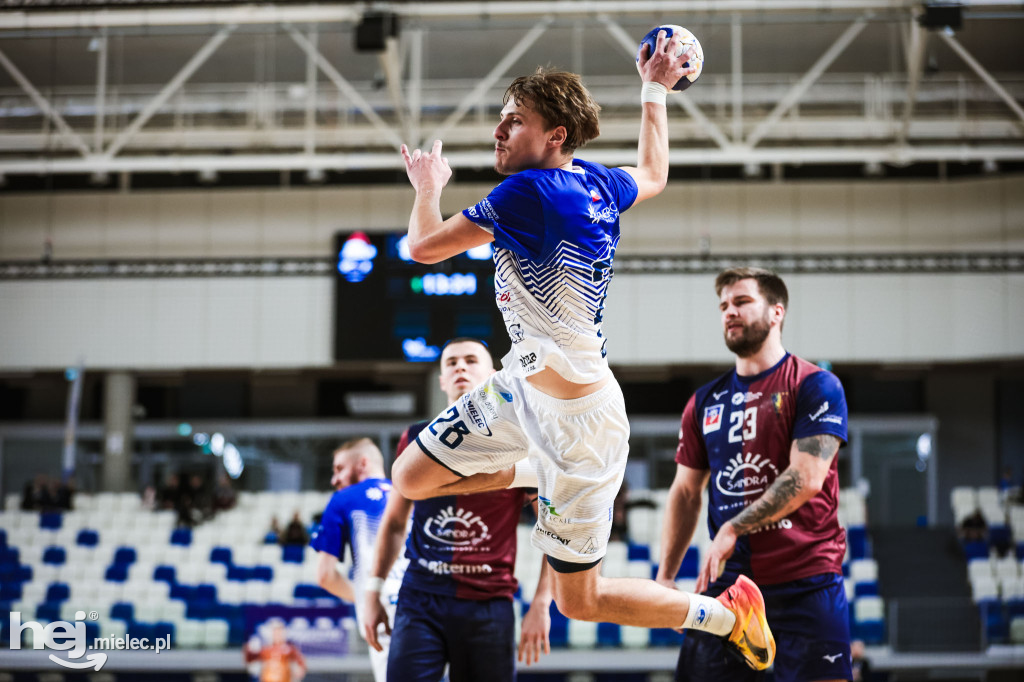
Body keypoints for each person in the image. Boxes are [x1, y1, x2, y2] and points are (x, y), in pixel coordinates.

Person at [387, 30, 774, 672]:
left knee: (579, 600)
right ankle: (537, 471)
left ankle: (728, 616)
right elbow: (653, 173)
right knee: (408, 477)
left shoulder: (527, 194)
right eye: (501, 121)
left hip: (581, 428)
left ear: (556, 135)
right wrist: (655, 88)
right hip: (524, 391)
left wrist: (427, 185)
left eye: (516, 121)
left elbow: (423, 247)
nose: (500, 132)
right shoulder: (595, 182)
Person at [657, 267, 851, 682]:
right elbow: (686, 493)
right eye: (724, 305)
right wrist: (666, 576)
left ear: (776, 312)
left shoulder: (816, 385)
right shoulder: (703, 402)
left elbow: (807, 476)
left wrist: (732, 527)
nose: (730, 312)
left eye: (742, 302)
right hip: (728, 588)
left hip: (806, 582)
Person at [364, 338, 553, 681]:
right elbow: (393, 523)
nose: (460, 367)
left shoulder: (521, 441)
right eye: (451, 363)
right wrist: (373, 591)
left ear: (493, 374)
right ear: (441, 380)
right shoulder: (415, 438)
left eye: (470, 360)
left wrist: (542, 602)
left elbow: (555, 529)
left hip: (489, 603)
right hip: (420, 597)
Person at [310, 438, 407, 682]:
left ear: (363, 463)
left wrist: (366, 597)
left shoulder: (343, 499)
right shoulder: (410, 492)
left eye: (339, 469)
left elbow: (325, 575)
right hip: (429, 605)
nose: (335, 480)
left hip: (385, 611)